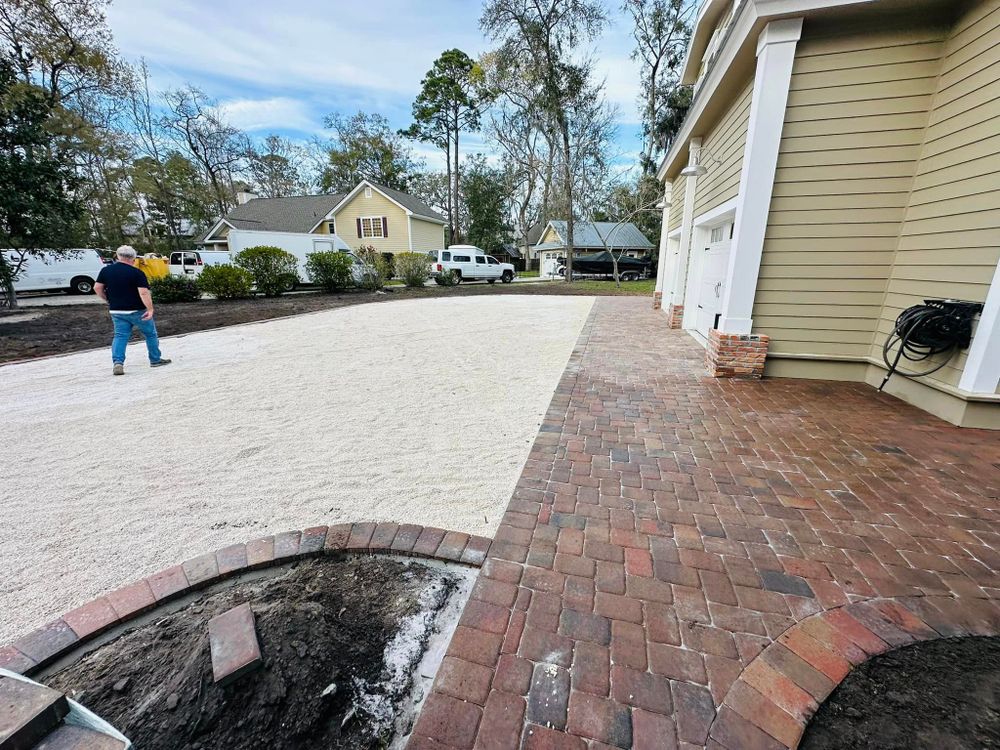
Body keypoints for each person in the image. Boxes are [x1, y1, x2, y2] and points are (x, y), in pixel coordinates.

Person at [94, 245, 171, 376]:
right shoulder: (137, 273)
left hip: (117, 311)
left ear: (118, 256)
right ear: (134, 258)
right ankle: (155, 359)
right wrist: (150, 309)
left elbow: (97, 288)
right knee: (150, 334)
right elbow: (144, 293)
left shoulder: (106, 271)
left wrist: (108, 299)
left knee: (120, 336)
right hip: (137, 310)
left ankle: (118, 362)